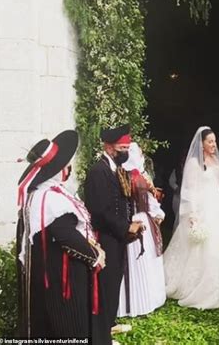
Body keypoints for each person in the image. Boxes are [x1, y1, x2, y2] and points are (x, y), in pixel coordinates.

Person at [16, 130, 105, 339]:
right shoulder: (51, 199)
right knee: (67, 322)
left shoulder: (37, 194)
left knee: (49, 322)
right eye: (65, 165)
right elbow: (65, 235)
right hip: (60, 275)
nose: (68, 168)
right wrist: (94, 256)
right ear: (56, 170)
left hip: (45, 271)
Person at [84, 124, 144, 344]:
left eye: (127, 147)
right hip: (105, 236)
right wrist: (125, 227)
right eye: (122, 147)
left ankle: (110, 322)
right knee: (106, 281)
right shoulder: (98, 171)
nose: (126, 151)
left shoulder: (115, 169)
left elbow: (120, 203)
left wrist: (131, 223)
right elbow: (100, 210)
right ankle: (102, 333)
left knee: (115, 278)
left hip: (116, 235)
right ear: (109, 148)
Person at [163, 126, 219, 309]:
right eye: (210, 141)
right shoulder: (194, 163)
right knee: (202, 246)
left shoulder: (217, 159)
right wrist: (192, 214)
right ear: (201, 144)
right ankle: (197, 284)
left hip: (218, 206)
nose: (213, 144)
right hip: (203, 208)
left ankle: (218, 282)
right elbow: (189, 190)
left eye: (214, 141)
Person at [117, 142, 166, 317]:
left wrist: (156, 212)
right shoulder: (132, 176)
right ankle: (139, 301)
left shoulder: (129, 174)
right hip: (137, 221)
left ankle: (136, 301)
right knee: (137, 261)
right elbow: (148, 200)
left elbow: (149, 197)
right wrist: (157, 213)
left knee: (136, 261)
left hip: (135, 219)